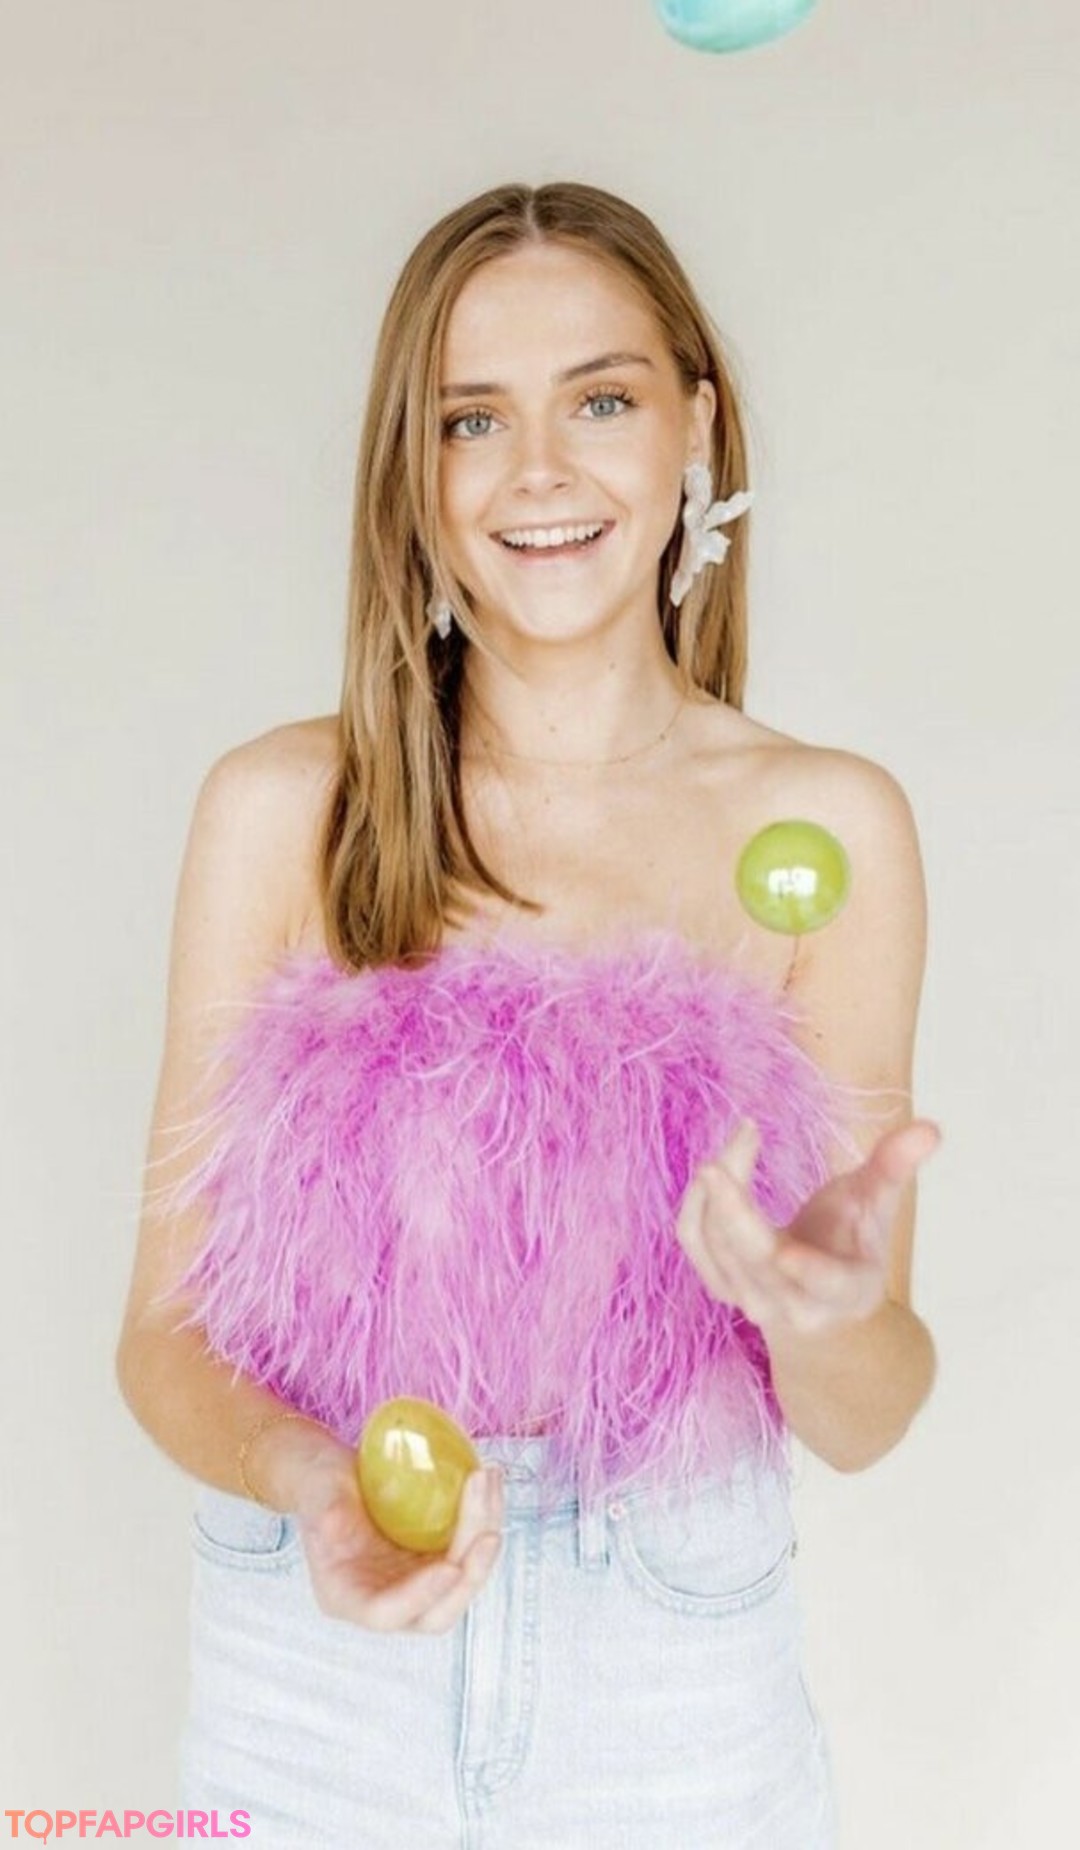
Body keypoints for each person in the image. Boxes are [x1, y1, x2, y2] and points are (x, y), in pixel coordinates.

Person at [115, 180, 942, 1849]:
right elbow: (159, 1342)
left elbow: (868, 1415)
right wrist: (316, 1485)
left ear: (696, 425)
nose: (541, 471)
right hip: (315, 1669)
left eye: (603, 401)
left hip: (675, 1674)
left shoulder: (831, 824)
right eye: (472, 418)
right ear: (411, 474)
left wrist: (820, 1311)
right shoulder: (281, 812)